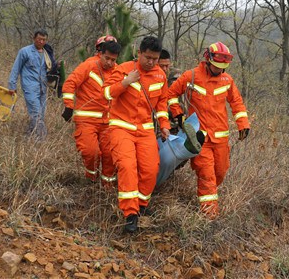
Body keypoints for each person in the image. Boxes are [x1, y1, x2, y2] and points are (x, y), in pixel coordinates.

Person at [167, 42, 250, 219]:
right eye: (216, 66)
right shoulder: (191, 77)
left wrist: (243, 123)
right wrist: (179, 115)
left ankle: (207, 201)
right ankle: (209, 217)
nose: (219, 70)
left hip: (221, 139)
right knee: (207, 176)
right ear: (208, 59)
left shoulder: (227, 80)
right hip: (199, 139)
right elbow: (171, 95)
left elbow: (236, 102)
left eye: (222, 67)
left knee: (219, 173)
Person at [103, 36, 170, 233]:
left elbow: (161, 104)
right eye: (148, 57)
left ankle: (141, 206)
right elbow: (107, 93)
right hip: (121, 127)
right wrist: (126, 82)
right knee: (126, 166)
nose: (151, 62)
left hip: (145, 129)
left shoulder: (160, 76)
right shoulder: (123, 69)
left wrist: (164, 124)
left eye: (155, 59)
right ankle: (130, 214)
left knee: (150, 170)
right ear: (139, 53)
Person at [61, 39, 121, 188]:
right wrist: (69, 106)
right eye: (107, 58)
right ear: (100, 53)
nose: (109, 62)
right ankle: (91, 180)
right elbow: (70, 83)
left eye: (113, 60)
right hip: (86, 119)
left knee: (109, 155)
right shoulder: (88, 65)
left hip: (109, 122)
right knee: (90, 152)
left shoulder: (118, 70)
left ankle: (107, 188)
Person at [8, 29, 58, 140]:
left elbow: (50, 69)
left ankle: (30, 134)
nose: (41, 42)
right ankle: (40, 139)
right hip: (30, 87)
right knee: (36, 112)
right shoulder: (25, 51)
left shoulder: (47, 53)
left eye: (44, 40)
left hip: (43, 87)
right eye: (39, 39)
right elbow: (16, 68)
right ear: (34, 38)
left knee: (40, 113)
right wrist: (12, 85)